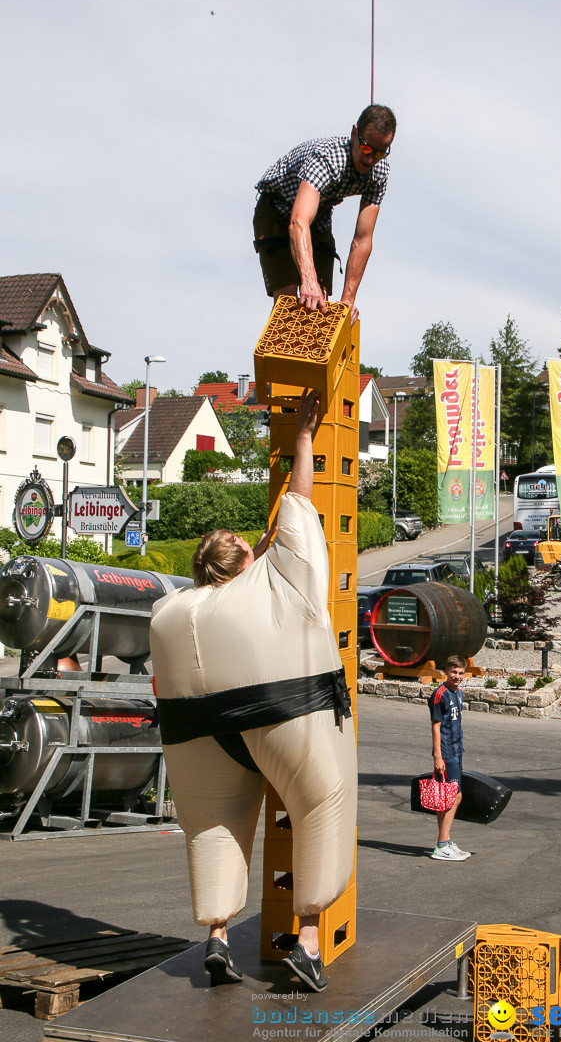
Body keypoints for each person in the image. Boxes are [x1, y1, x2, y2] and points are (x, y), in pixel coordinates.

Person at [149, 390, 356, 993]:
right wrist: (303, 438)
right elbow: (297, 504)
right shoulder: (274, 579)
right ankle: (309, 943)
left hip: (199, 730)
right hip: (285, 708)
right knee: (322, 803)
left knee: (213, 827)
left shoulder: (175, 608)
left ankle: (216, 937)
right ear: (243, 555)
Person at [253, 104, 396, 321]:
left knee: (320, 308)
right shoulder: (327, 159)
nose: (370, 160)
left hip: (318, 217)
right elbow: (298, 222)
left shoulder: (379, 172)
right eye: (366, 149)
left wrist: (348, 299)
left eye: (380, 153)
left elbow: (363, 238)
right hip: (278, 210)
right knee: (292, 307)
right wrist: (308, 281)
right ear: (354, 133)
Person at [427, 655, 471, 862]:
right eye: (454, 672)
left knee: (445, 796)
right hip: (445, 752)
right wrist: (438, 755)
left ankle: (445, 840)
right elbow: (436, 725)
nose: (457, 676)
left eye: (461, 673)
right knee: (454, 796)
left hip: (457, 749)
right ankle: (442, 845)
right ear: (446, 671)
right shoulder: (440, 694)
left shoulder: (459, 693)